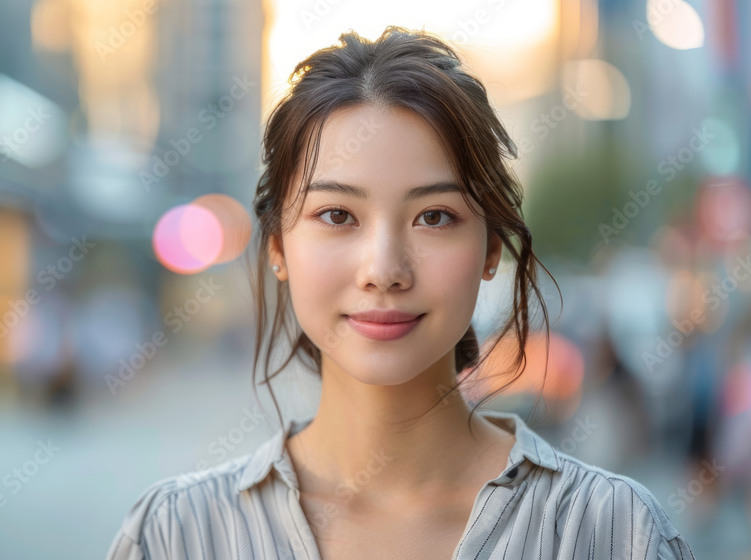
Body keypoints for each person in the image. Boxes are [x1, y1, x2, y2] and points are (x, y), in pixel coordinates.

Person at [106, 26, 697, 559]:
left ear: (491, 250)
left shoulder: (613, 533)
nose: (384, 269)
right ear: (278, 250)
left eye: (434, 217)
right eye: (337, 215)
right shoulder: (176, 535)